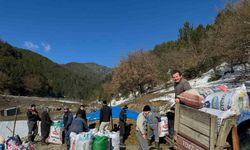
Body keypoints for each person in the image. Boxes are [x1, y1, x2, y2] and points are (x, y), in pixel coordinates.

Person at [167, 70, 191, 139]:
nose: (175, 78)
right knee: (170, 114)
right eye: (174, 77)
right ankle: (173, 134)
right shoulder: (175, 83)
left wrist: (180, 99)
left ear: (181, 76)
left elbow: (189, 94)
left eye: (177, 76)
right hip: (178, 104)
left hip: (186, 106)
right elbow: (177, 94)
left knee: (174, 117)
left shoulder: (185, 83)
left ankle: (177, 134)